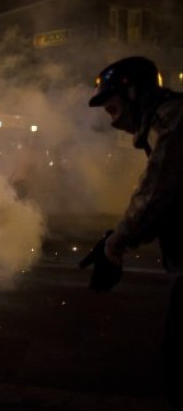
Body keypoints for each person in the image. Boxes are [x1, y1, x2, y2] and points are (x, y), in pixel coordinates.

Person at [86, 56, 183, 409]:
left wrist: (118, 241)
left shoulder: (172, 120)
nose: (114, 122)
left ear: (133, 92)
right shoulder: (165, 121)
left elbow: (158, 190)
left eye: (113, 109)